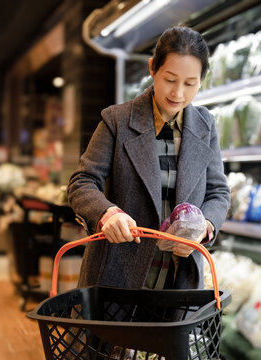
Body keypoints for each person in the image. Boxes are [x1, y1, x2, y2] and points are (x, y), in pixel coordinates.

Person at [67, 26, 230, 291]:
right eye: (170, 79)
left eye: (190, 84)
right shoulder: (117, 121)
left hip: (180, 280)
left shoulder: (206, 126)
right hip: (118, 275)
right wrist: (107, 213)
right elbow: (82, 182)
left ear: (202, 79)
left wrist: (205, 226)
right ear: (153, 68)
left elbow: (218, 192)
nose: (178, 93)